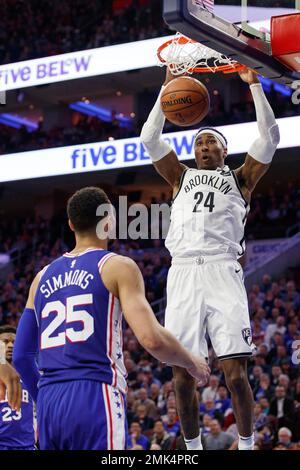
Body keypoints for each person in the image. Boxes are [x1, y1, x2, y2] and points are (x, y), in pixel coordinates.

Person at [140, 67, 280, 450]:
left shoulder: (241, 178)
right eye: (199, 142)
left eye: (210, 143)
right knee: (181, 375)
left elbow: (269, 137)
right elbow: (149, 137)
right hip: (183, 273)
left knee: (235, 374)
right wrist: (166, 89)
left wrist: (254, 86)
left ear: (223, 151)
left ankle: (248, 445)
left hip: (222, 271)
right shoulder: (179, 176)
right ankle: (192, 450)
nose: (202, 147)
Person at [13, 186, 210, 450]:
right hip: (94, 394)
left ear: (71, 224)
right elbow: (151, 339)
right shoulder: (117, 266)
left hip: (49, 400)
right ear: (109, 221)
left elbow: (20, 357)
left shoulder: (40, 277)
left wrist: (45, 396)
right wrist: (191, 362)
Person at [0, 326, 35, 450]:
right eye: (5, 342)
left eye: (14, 342)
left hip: (27, 446)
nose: (10, 345)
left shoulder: (30, 374)